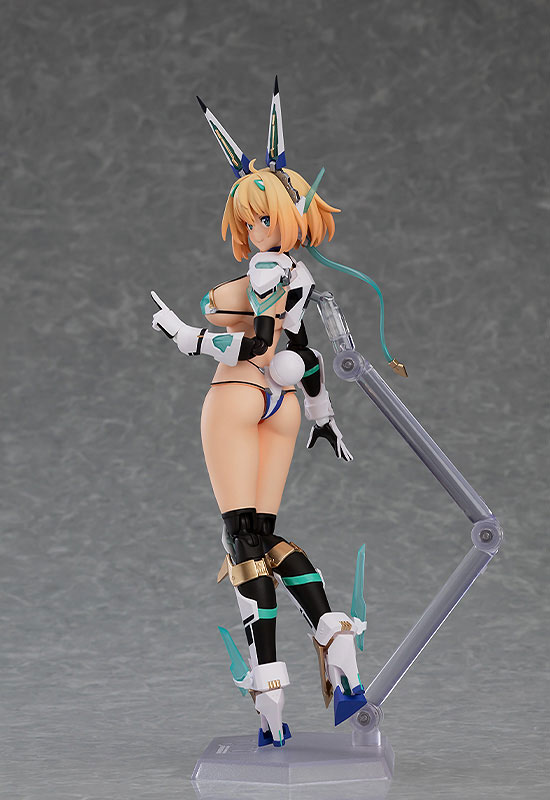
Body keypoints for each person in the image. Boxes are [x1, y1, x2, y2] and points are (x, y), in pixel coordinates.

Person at [151, 79, 368, 748]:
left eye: (258, 220)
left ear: (283, 216)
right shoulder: (301, 275)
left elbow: (259, 343)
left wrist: (187, 337)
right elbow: (304, 357)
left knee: (240, 539)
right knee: (264, 533)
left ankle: (268, 682)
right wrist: (322, 414)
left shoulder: (270, 272)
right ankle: (329, 625)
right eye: (247, 222)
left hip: (240, 392)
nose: (250, 232)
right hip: (284, 405)